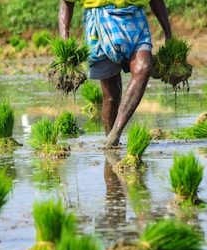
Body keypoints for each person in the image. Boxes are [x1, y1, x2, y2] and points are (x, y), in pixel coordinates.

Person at [59, 0, 172, 147]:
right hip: (99, 23)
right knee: (112, 97)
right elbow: (67, 2)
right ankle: (111, 141)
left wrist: (168, 32)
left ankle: (115, 132)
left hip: (134, 18)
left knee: (143, 68)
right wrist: (64, 39)